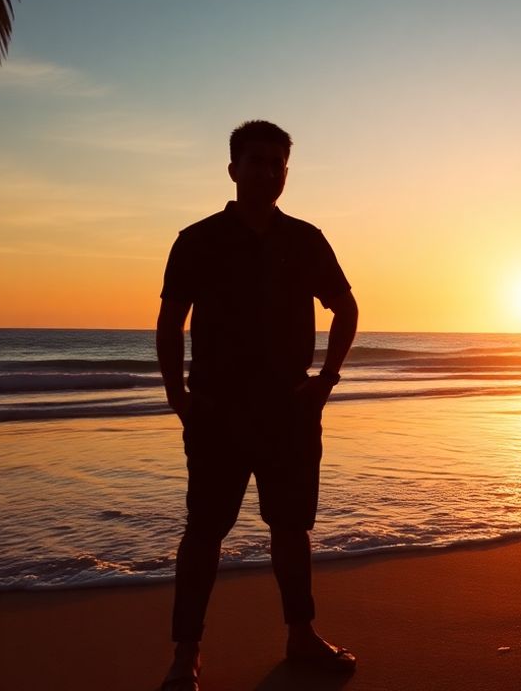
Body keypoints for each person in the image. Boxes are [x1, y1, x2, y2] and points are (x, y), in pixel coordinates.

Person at [156, 120, 359, 690]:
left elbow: (346, 310)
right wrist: (178, 396)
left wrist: (324, 381)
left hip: (289, 410)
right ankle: (186, 653)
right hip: (217, 410)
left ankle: (301, 634)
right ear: (233, 169)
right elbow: (171, 323)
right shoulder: (197, 239)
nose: (269, 172)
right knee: (204, 532)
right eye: (257, 162)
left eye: (278, 164)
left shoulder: (305, 238)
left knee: (291, 528)